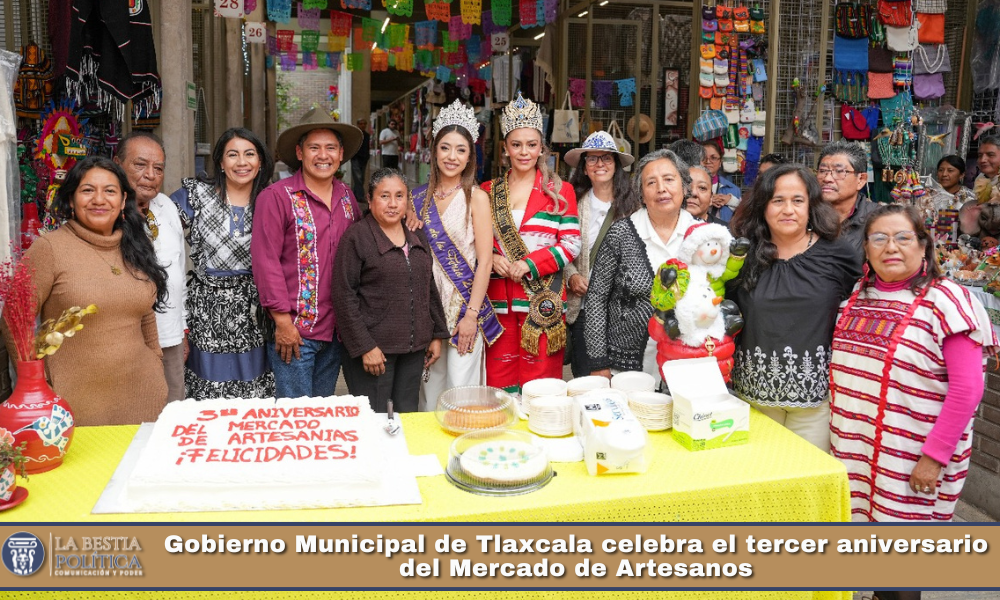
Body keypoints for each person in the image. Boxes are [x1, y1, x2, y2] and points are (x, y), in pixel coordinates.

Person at [830, 204, 998, 523]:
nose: (890, 247)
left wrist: (934, 458)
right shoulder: (855, 297)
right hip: (852, 451)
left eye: (903, 237)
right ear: (865, 248)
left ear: (923, 246)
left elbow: (967, 389)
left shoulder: (948, 300)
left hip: (912, 459)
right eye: (878, 238)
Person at [23, 157, 168, 425]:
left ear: (123, 201)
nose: (99, 199)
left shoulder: (135, 245)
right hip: (74, 406)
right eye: (88, 190)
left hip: (144, 396)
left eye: (110, 191)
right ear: (70, 199)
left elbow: (145, 312)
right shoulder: (49, 249)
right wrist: (35, 384)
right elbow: (16, 320)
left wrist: (156, 360)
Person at [728, 164, 862, 451]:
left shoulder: (838, 254)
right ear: (763, 207)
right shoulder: (741, 255)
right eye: (778, 200)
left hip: (815, 404)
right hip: (752, 399)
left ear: (811, 206)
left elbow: (859, 311)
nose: (788, 209)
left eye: (797, 200)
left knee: (805, 485)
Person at [251, 108, 364, 398]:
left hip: (336, 332)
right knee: (295, 422)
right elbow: (266, 262)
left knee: (321, 420)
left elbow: (365, 248)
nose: (322, 155)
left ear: (341, 155)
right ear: (300, 153)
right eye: (314, 147)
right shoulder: (276, 197)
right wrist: (283, 322)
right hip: (296, 334)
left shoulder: (347, 198)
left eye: (330, 148)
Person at [482, 93, 581, 393]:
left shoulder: (561, 191)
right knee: (499, 380)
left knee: (542, 385)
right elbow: (476, 240)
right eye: (516, 144)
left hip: (543, 300)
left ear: (541, 148)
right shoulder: (488, 191)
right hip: (498, 300)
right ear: (505, 149)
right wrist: (491, 258)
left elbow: (571, 245)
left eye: (531, 144)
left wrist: (530, 263)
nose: (524, 152)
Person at [169, 128, 276, 399]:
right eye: (233, 155)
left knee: (254, 394)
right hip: (207, 310)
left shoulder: (272, 199)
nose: (242, 162)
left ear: (261, 160)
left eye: (249, 154)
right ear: (220, 162)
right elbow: (156, 222)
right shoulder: (196, 196)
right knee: (208, 395)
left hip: (254, 312)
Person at [407, 101, 500, 410]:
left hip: (463, 310)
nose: (451, 156)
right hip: (427, 310)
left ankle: (461, 457)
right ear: (434, 151)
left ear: (470, 156)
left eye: (460, 150)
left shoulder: (477, 198)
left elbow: (485, 261)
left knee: (461, 393)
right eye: (445, 148)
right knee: (430, 391)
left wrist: (472, 316)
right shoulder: (416, 198)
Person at [333, 168, 450, 412]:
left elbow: (428, 285)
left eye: (400, 196)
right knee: (375, 420)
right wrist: (365, 346)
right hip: (375, 353)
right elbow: (344, 296)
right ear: (370, 197)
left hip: (414, 349)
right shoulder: (357, 238)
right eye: (384, 196)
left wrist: (436, 334)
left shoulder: (416, 234)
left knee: (406, 417)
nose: (393, 204)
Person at [585, 149, 696, 385]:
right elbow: (596, 298)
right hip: (625, 370)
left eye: (669, 179)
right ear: (641, 194)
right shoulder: (621, 233)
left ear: (685, 187)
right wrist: (598, 363)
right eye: (651, 182)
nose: (661, 189)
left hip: (687, 364)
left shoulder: (702, 236)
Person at [114, 132, 187, 403]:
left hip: (169, 337)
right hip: (125, 343)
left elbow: (178, 268)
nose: (150, 175)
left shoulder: (166, 205)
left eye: (158, 168)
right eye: (140, 165)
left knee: (172, 412)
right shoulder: (104, 211)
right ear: (117, 164)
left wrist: (182, 329)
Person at [563, 131, 641, 377]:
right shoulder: (572, 204)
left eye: (606, 158)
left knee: (622, 381)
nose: (599, 165)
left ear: (616, 166)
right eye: (592, 159)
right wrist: (572, 276)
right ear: (584, 168)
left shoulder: (635, 207)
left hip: (624, 312)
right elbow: (559, 248)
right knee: (587, 381)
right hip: (584, 309)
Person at [816, 140, 876, 264]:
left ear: (861, 179)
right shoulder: (805, 216)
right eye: (822, 171)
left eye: (839, 171)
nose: (827, 178)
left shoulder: (878, 219)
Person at [700, 140, 740, 224]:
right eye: (703, 157)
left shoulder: (733, 190)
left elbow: (743, 215)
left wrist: (731, 200)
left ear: (720, 162)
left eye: (713, 158)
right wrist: (708, 202)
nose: (708, 161)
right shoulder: (688, 186)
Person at [352, 118, 372, 208]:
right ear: (358, 124)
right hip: (356, 158)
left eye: (364, 123)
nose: (363, 125)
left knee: (361, 178)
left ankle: (354, 195)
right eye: (361, 123)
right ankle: (360, 196)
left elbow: (367, 147)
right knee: (358, 178)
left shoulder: (367, 135)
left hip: (364, 158)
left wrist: (367, 156)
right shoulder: (355, 134)